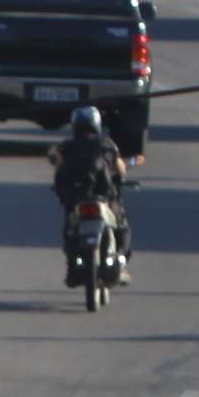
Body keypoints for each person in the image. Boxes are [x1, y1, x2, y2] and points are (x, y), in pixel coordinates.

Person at [48, 109, 130, 279]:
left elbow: (58, 171)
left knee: (70, 228)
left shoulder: (65, 147)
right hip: (104, 196)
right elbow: (121, 170)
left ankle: (72, 262)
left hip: (76, 197)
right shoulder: (108, 144)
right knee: (121, 226)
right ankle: (121, 262)